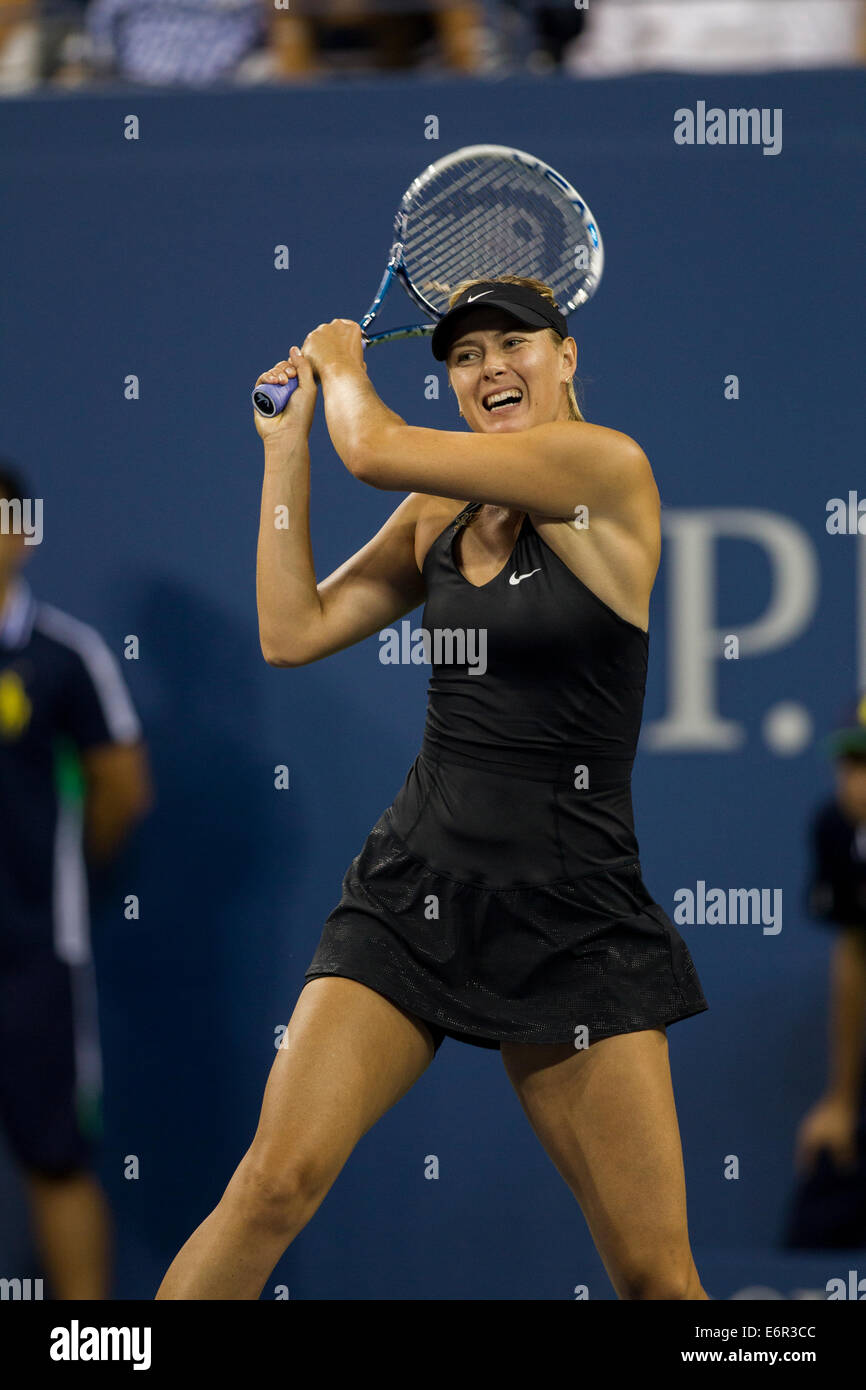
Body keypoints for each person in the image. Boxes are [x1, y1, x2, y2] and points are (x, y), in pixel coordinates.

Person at [156, 274, 710, 1301]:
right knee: (272, 1182)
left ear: (567, 354)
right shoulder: (440, 509)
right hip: (410, 893)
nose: (490, 368)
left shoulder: (607, 469)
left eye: (514, 345)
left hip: (576, 919)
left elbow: (366, 446)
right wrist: (285, 451)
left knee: (655, 1279)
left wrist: (340, 362)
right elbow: (291, 630)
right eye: (463, 355)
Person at [0, 460, 152, 1298]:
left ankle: (86, 1352)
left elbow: (121, 789)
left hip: (32, 958)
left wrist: (56, 880)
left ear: (22, 534)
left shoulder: (66, 658)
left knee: (57, 1160)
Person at [784, 695, 866, 1247]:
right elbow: (856, 953)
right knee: (818, 1225)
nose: (858, 782)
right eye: (853, 764)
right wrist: (841, 1099)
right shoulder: (837, 830)